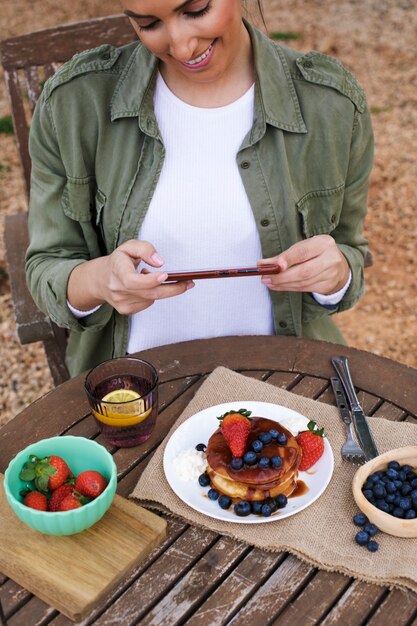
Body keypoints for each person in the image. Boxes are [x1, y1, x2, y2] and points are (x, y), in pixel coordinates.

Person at [26, 0, 374, 377]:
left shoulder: (332, 104)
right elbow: (48, 266)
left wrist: (336, 274)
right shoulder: (73, 103)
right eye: (148, 24)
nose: (181, 46)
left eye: (196, 11)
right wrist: (99, 280)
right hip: (135, 392)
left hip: (285, 382)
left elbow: (348, 254)